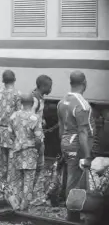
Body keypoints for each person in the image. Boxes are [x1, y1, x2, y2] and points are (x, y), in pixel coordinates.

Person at [57, 71, 94, 222]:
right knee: (75, 182)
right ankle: (73, 217)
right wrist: (87, 156)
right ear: (84, 83)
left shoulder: (61, 102)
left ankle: (73, 213)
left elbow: (60, 128)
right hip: (77, 145)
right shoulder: (82, 105)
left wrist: (63, 147)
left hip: (65, 142)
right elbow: (83, 132)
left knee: (70, 179)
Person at [8, 93, 43, 211]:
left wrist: (18, 142)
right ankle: (24, 206)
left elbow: (10, 134)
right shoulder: (35, 118)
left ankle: (16, 204)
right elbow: (39, 138)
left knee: (17, 180)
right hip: (30, 153)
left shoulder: (13, 116)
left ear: (21, 103)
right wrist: (37, 150)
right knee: (29, 180)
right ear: (33, 104)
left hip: (17, 152)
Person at [0, 70, 21, 190]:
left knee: (1, 163)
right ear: (14, 79)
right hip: (12, 133)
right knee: (12, 164)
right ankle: (11, 191)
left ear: (3, 81)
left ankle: (0, 188)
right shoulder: (17, 95)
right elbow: (19, 115)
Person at [30, 74, 53, 206]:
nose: (51, 89)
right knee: (38, 166)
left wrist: (42, 119)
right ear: (43, 86)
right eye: (49, 87)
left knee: (39, 166)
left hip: (38, 135)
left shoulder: (39, 97)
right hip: (36, 138)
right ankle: (35, 197)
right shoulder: (35, 99)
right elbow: (31, 117)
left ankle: (35, 195)